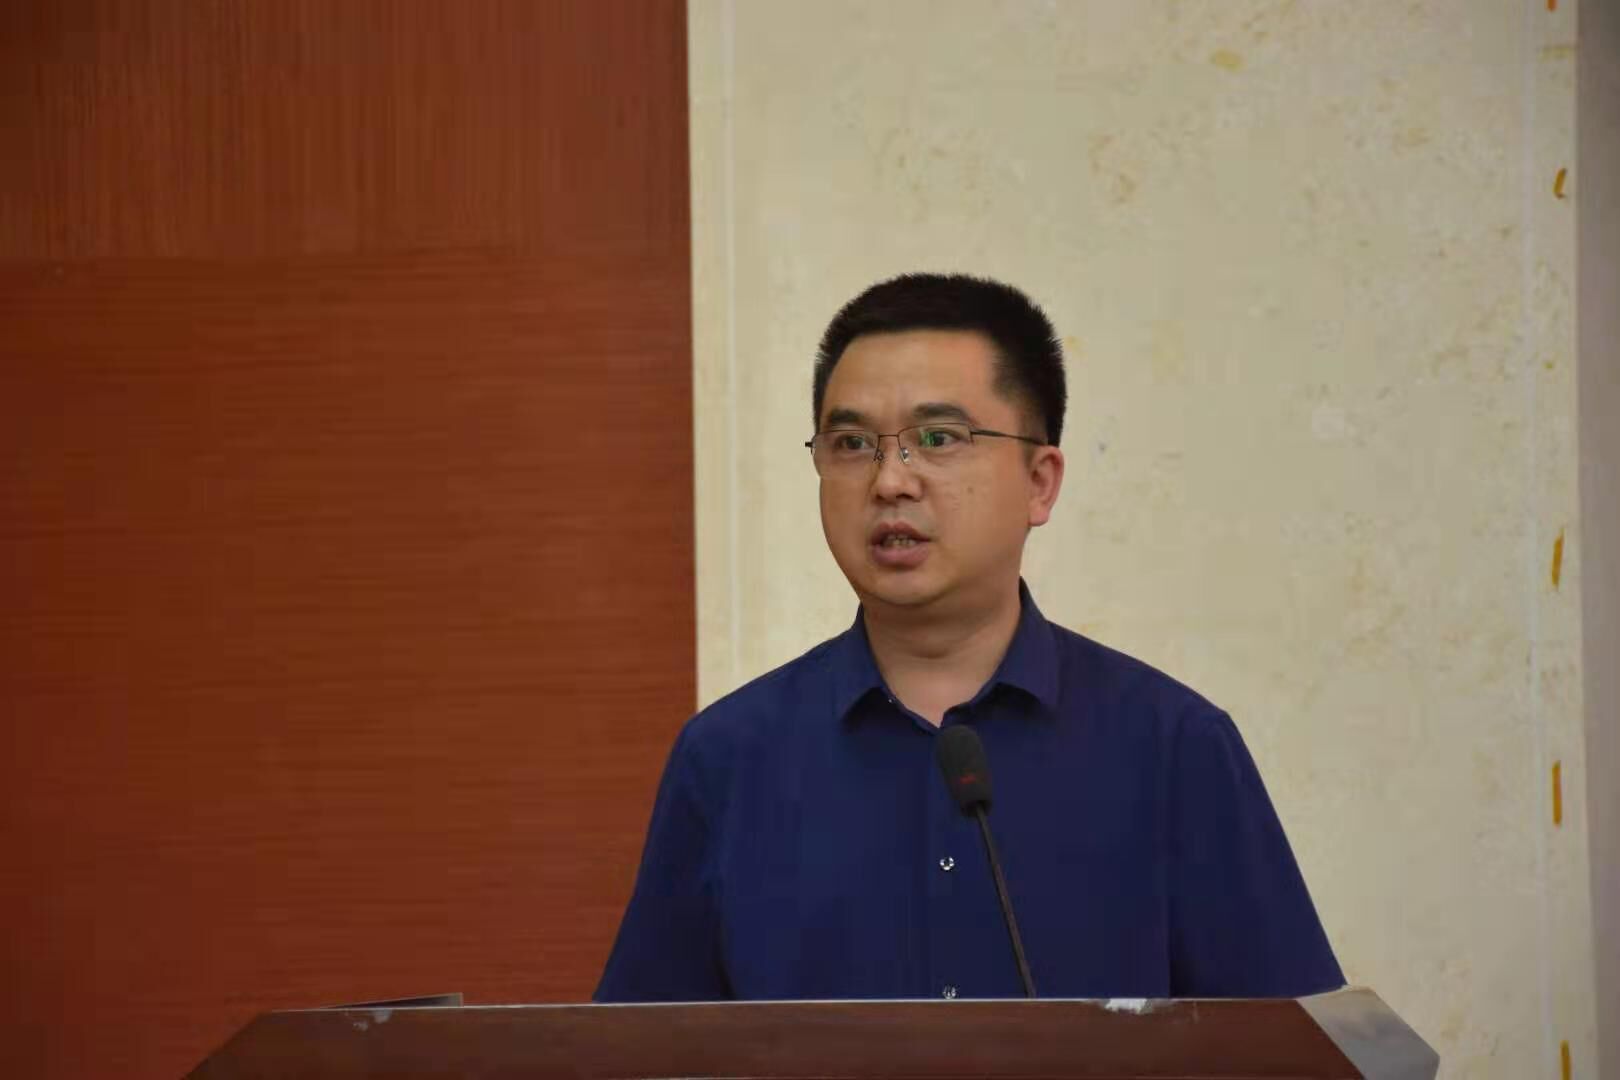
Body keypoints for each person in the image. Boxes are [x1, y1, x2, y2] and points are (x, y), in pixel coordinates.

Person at [595, 273, 1343, 1002]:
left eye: (937, 437)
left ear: (1040, 482)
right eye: (851, 443)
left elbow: (1295, 1051)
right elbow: (643, 1053)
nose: (890, 480)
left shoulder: (1173, 746)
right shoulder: (728, 760)